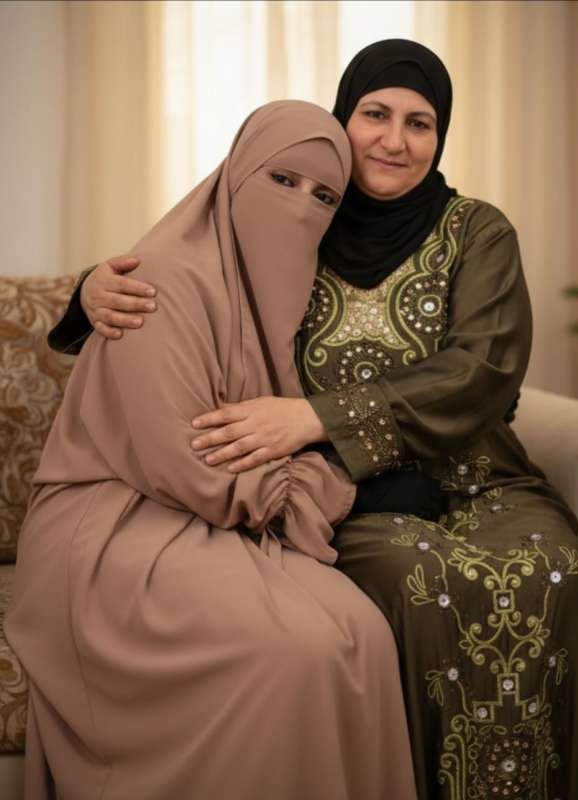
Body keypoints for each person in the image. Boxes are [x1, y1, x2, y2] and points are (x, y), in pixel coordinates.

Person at [48, 40, 578, 800]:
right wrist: (88, 290)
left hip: (482, 480)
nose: (394, 140)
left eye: (419, 124)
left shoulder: (477, 231)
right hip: (352, 491)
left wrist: (315, 417)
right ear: (342, 119)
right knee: (415, 584)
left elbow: (485, 367)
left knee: (559, 569)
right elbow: (193, 262)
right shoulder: (298, 214)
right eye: (375, 114)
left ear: (440, 137)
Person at [6, 100, 420, 800]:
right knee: (295, 650)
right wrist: (330, 488)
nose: (300, 206)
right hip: (112, 524)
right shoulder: (156, 280)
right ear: (236, 175)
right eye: (281, 179)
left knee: (364, 633)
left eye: (324, 196)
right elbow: (189, 462)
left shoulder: (296, 289)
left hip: (213, 518)